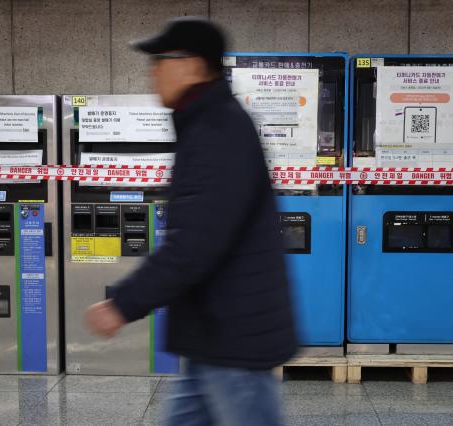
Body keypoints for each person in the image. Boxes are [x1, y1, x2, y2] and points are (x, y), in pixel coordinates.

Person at [85, 17, 297, 426]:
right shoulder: (206, 123)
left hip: (234, 338)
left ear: (193, 65)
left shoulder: (218, 130)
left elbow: (196, 242)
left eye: (160, 60)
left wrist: (122, 304)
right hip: (212, 334)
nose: (153, 72)